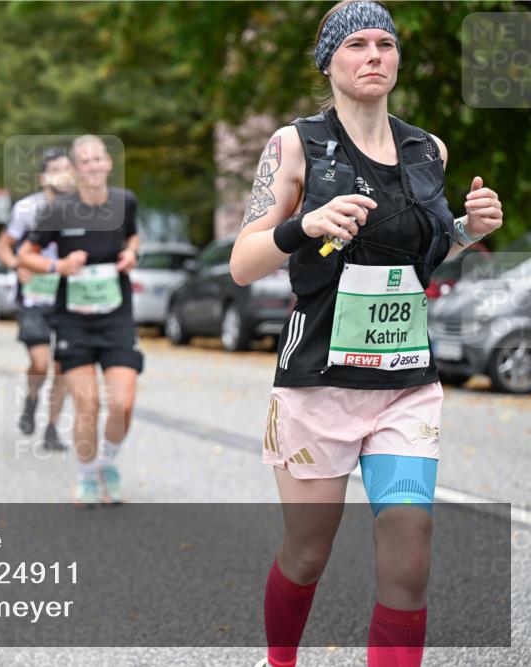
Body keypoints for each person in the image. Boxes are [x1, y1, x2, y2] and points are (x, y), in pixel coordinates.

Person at [227, 3, 504, 666]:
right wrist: (307, 224)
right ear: (329, 61)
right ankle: (280, 659)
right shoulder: (295, 145)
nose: (375, 55)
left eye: (386, 43)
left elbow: (417, 259)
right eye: (357, 44)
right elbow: (243, 262)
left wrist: (468, 230)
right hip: (318, 381)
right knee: (306, 553)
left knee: (410, 550)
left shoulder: (426, 149)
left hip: (405, 382)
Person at [19, 135, 143, 507]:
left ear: (108, 163)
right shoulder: (57, 211)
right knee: (87, 405)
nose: (91, 166)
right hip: (73, 321)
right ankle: (87, 476)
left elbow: (133, 236)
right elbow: (26, 254)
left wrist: (131, 254)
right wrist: (58, 265)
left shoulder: (125, 202)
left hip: (117, 318)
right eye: (83, 161)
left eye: (97, 159)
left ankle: (107, 463)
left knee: (122, 403)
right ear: (74, 170)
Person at [0, 147, 75, 450]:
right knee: (40, 363)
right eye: (56, 168)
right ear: (43, 177)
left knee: (64, 367)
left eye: (68, 168)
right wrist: (17, 265)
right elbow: (3, 245)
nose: (63, 174)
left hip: (67, 298)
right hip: (34, 298)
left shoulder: (83, 209)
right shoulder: (27, 209)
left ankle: (52, 429)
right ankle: (31, 399)